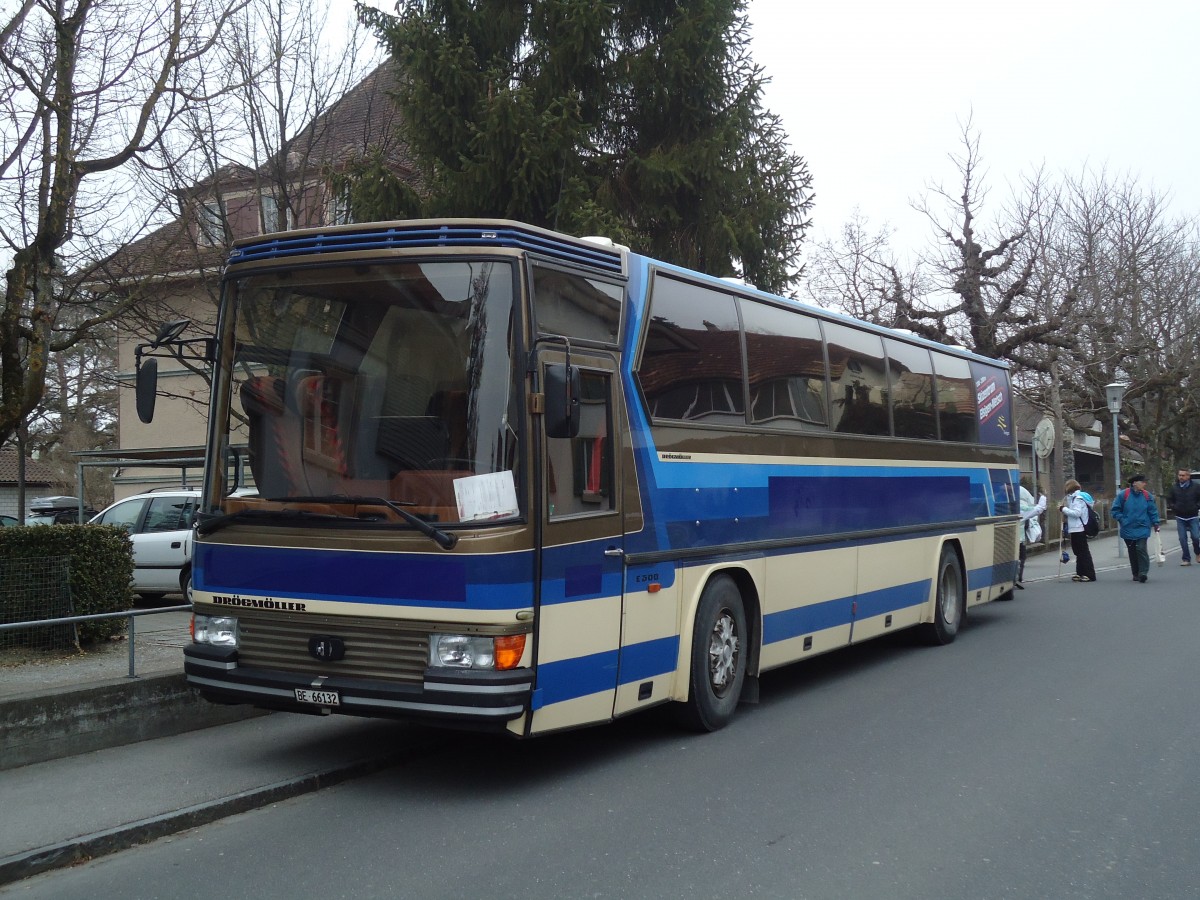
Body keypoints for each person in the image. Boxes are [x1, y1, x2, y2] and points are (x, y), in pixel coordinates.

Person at [1111, 473, 1161, 583]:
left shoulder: (1147, 496)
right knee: (1132, 551)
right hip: (1128, 528)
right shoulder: (1123, 495)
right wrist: (1123, 520)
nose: (1144, 484)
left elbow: (1152, 511)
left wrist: (1156, 523)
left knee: (1141, 549)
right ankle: (1135, 573)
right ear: (1134, 483)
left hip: (1143, 527)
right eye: (1142, 482)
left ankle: (1143, 573)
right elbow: (1115, 510)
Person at [1060, 478, 1096, 582]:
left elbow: (1077, 513)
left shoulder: (1078, 499)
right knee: (1078, 552)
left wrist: (1063, 509)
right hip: (1075, 528)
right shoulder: (1073, 498)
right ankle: (1080, 573)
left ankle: (1089, 574)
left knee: (1083, 552)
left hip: (1079, 528)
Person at [1166, 467, 1200, 566]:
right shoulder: (1174, 487)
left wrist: (1196, 506)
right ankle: (1186, 559)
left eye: (1183, 475)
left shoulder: (1196, 487)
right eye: (1179, 475)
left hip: (1193, 516)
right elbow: (1170, 499)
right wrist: (1174, 507)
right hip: (1180, 517)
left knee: (1196, 537)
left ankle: (1198, 552)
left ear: (1188, 476)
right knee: (1182, 538)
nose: (1181, 477)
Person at [1017, 482, 1047, 588]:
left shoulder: (1003, 505)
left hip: (1005, 539)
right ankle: (1018, 577)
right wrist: (1043, 497)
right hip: (1019, 538)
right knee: (1021, 557)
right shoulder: (1022, 509)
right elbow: (1038, 509)